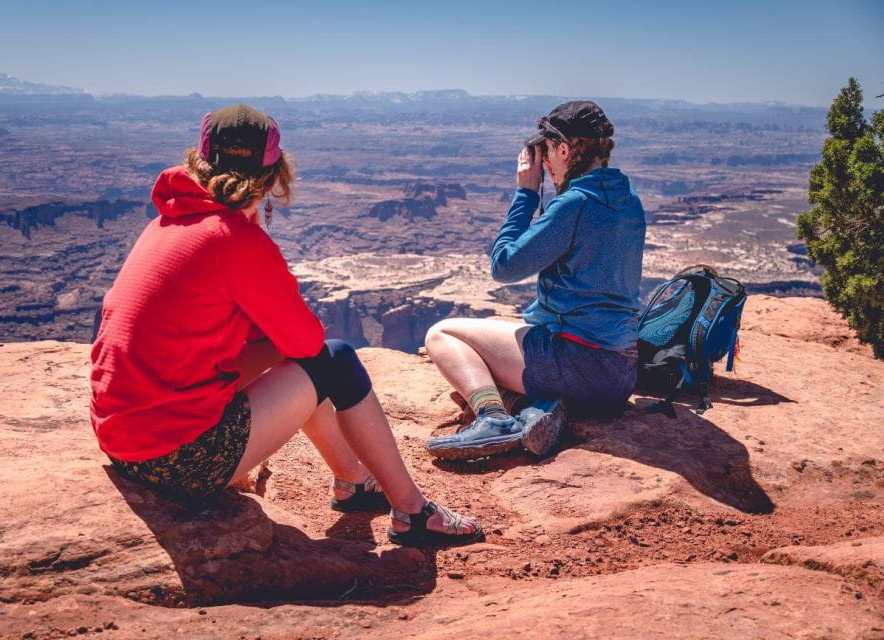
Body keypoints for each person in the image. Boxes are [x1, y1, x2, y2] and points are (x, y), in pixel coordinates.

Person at [90, 104, 482, 546]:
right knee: (336, 359)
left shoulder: (170, 220)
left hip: (124, 445)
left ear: (200, 160)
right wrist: (254, 238)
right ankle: (412, 511)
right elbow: (309, 343)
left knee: (301, 362)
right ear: (273, 175)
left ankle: (353, 480)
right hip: (181, 461)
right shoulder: (233, 239)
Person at [425, 101, 645, 460]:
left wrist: (526, 194)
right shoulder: (627, 196)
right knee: (504, 330)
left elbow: (504, 266)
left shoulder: (576, 203)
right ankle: (539, 409)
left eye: (547, 152)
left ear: (564, 150)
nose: (544, 163)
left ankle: (494, 418)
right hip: (620, 373)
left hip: (580, 363)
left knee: (442, 334)